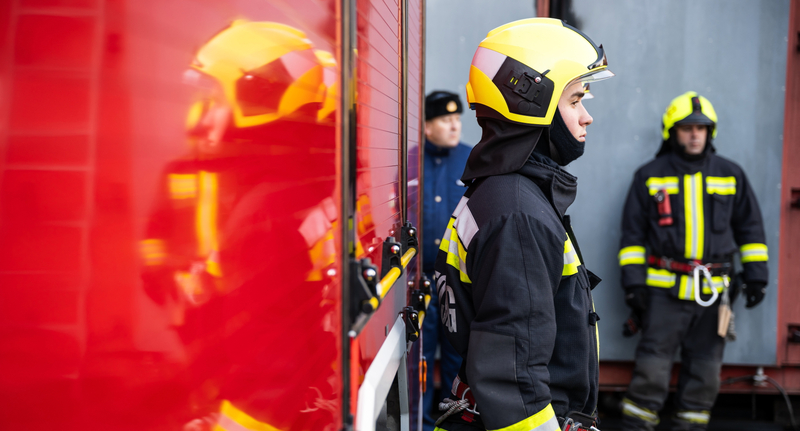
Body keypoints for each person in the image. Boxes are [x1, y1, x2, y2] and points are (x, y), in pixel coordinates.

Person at [432, 18, 614, 431]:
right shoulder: (516, 213)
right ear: (534, 101)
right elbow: (513, 378)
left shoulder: (502, 192)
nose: (587, 117)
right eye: (576, 100)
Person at [618, 91, 768, 431]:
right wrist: (634, 285)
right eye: (687, 127)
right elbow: (632, 236)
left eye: (702, 127)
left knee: (704, 374)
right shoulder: (649, 175)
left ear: (711, 132)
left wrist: (757, 275)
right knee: (651, 373)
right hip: (663, 294)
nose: (695, 134)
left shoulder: (731, 175)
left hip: (714, 296)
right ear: (672, 131)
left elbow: (750, 228)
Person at [420, 90, 471, 431]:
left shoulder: (471, 161)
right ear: (425, 126)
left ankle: (454, 422)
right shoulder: (407, 161)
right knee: (418, 358)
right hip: (419, 281)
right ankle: (420, 422)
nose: (455, 126)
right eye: (445, 120)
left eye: (457, 120)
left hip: (458, 283)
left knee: (458, 358)